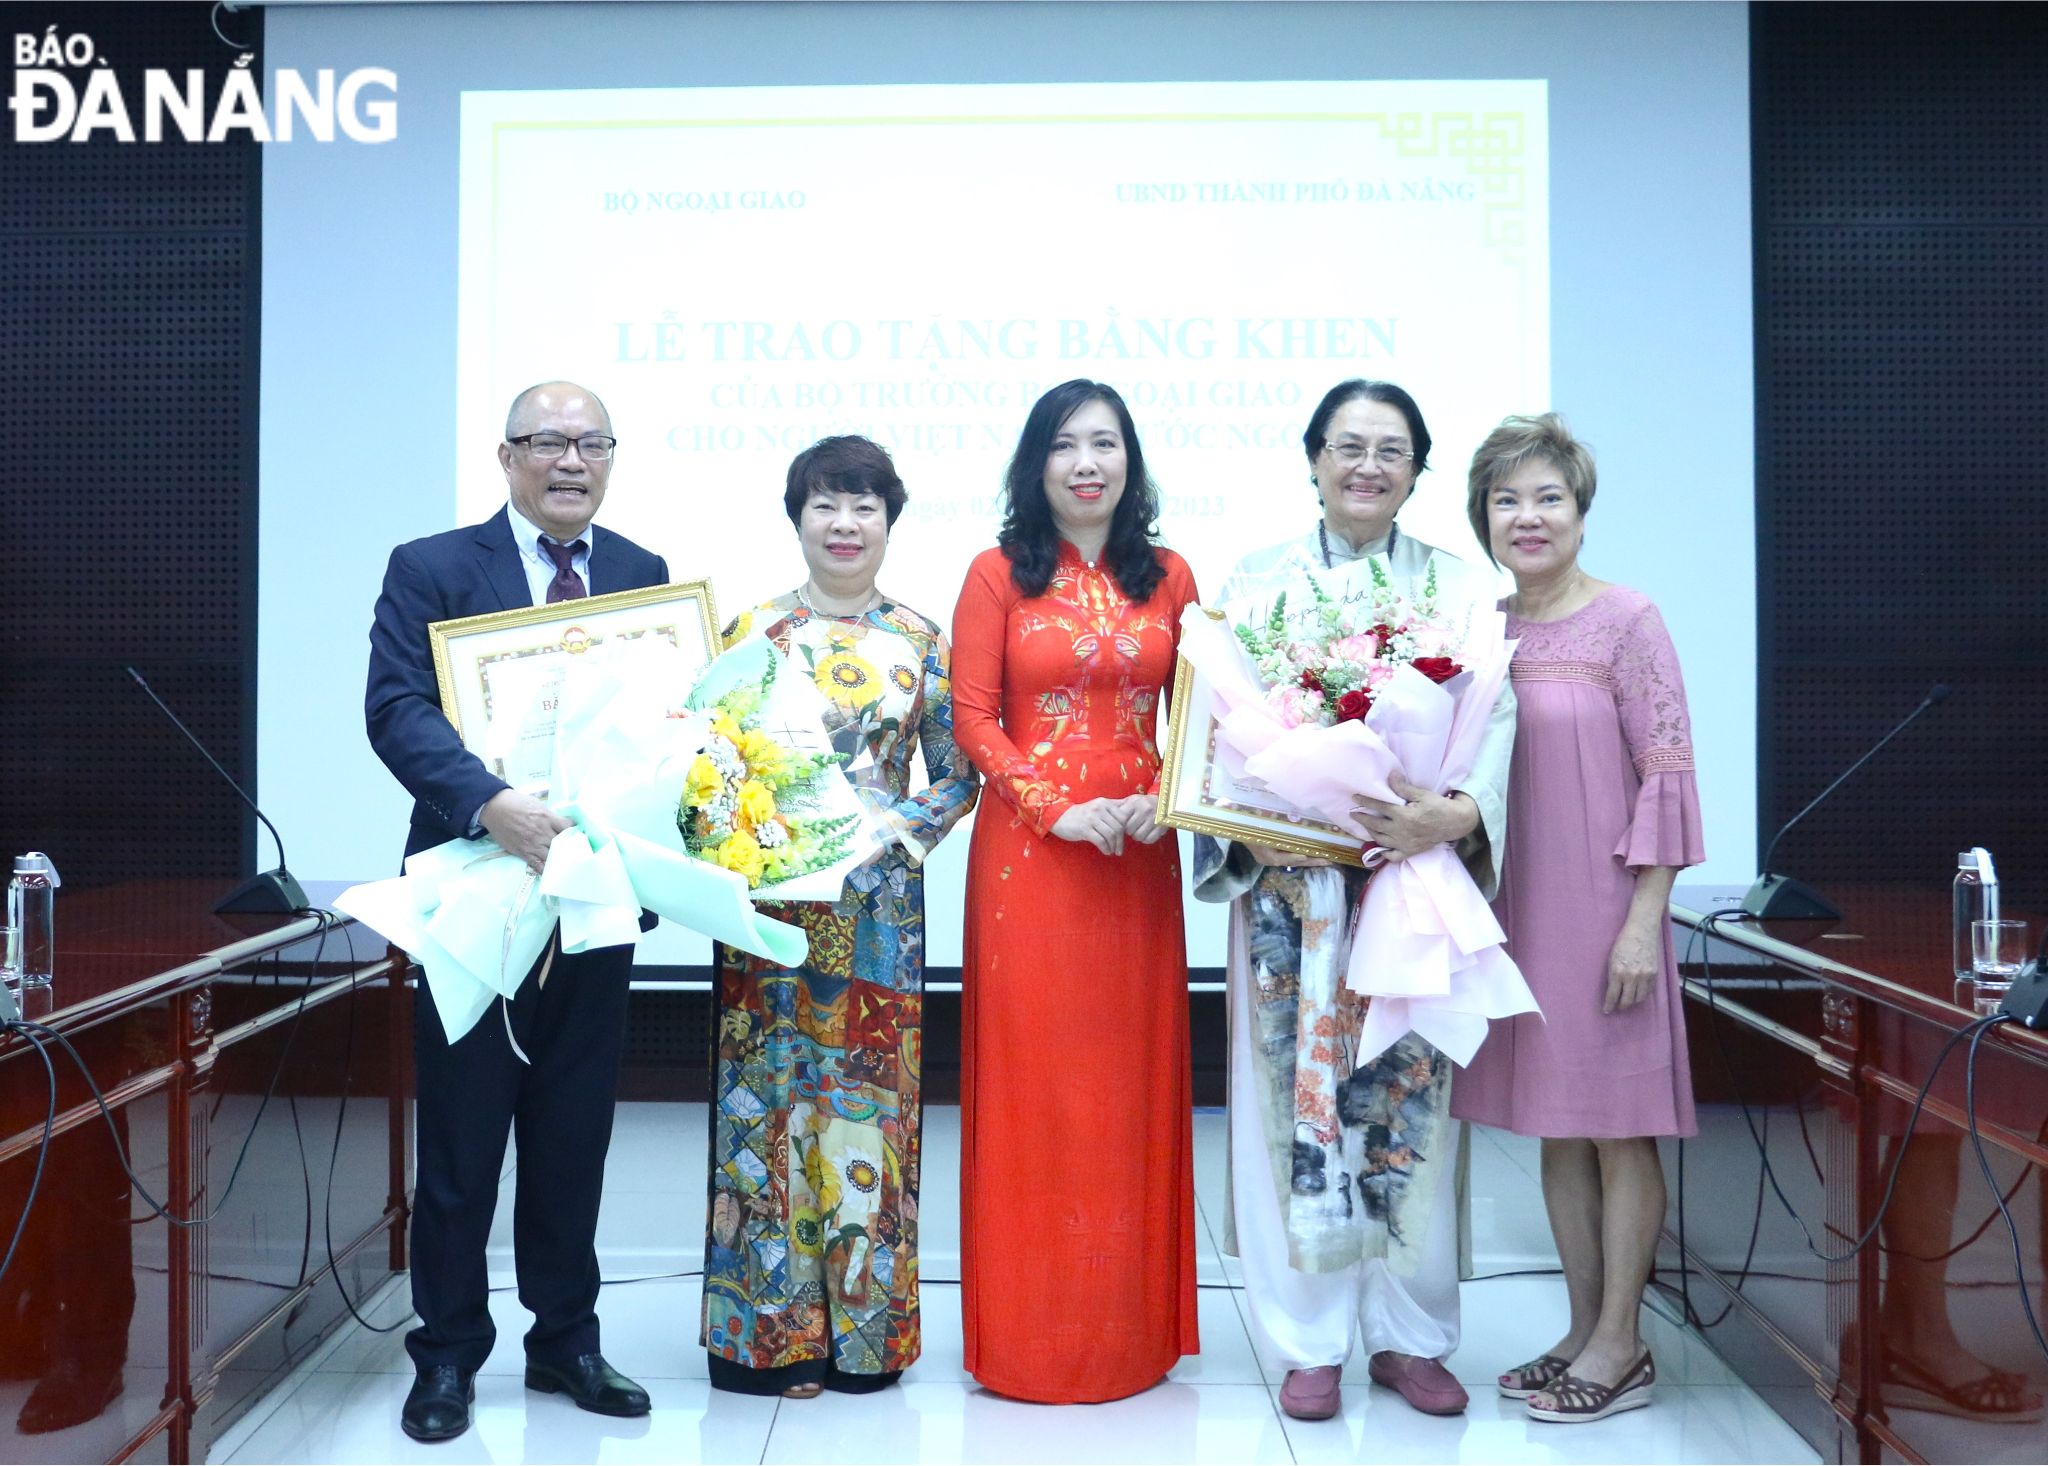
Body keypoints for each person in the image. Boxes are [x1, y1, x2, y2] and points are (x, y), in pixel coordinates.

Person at [1193, 379, 1515, 1422]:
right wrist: (1284, 814)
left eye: (1389, 448)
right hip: (1293, 888)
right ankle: (1308, 1337)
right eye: (1346, 445)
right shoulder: (1254, 581)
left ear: (1417, 469)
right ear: (1312, 459)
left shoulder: (1459, 587)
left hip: (1408, 878)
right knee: (1297, 1103)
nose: (1365, 464)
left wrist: (1454, 810)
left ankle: (1411, 1333)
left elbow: (1491, 715)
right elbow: (1218, 725)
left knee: (1410, 1098)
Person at [365, 382, 663, 1442]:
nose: (570, 460)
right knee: (460, 1139)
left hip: (593, 898)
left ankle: (565, 1342)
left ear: (611, 458)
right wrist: (491, 802)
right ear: (506, 456)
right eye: (548, 441)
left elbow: (656, 730)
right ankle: (445, 1354)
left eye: (591, 442)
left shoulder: (641, 577)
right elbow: (394, 707)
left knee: (572, 1135)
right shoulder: (433, 568)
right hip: (473, 892)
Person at [701, 436, 978, 1398]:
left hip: (877, 914)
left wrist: (886, 833)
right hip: (767, 906)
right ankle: (764, 1336)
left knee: (867, 1118)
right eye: (826, 505)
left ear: (890, 523)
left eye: (864, 507)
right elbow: (704, 763)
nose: (845, 524)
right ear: (798, 519)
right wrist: (750, 827)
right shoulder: (750, 632)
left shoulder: (924, 639)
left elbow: (958, 773)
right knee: (766, 1109)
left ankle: (863, 1337)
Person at [950, 379, 1202, 1403]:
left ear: (1130, 462)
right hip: (1030, 865)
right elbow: (973, 718)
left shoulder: (1173, 574)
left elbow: (1204, 714)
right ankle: (1027, 1338)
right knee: (1035, 1091)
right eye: (1066, 445)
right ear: (1035, 463)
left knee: (1129, 1086)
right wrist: (1053, 806)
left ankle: (1127, 1335)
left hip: (1140, 860)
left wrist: (1163, 795)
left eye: (1105, 443)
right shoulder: (994, 573)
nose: (1087, 462)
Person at [1452, 412, 1703, 1423]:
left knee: (1618, 1127)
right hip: (1518, 909)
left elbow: (1667, 777)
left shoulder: (1627, 620)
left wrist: (1644, 919)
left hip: (1607, 914)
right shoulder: (1482, 630)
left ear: (1580, 512)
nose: (1527, 515)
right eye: (1505, 499)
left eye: (1547, 496)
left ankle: (1621, 1341)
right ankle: (1578, 1325)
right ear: (1482, 518)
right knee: (1556, 1126)